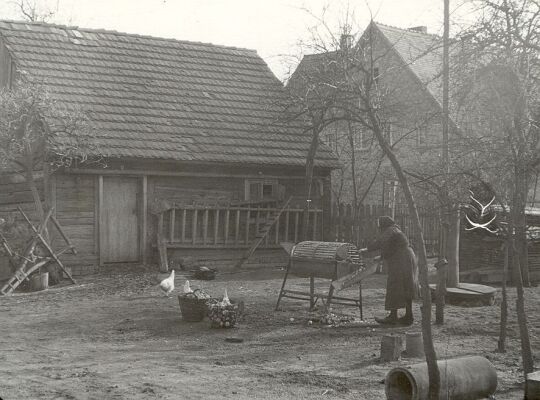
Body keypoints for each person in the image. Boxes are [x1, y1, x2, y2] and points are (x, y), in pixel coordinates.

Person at [364, 216, 420, 326]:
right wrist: (381, 257)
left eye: (380, 227)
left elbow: (380, 243)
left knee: (394, 285)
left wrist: (367, 249)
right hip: (408, 257)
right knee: (406, 286)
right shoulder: (395, 230)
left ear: (384, 226)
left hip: (401, 259)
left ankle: (393, 317)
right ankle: (409, 316)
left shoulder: (389, 231)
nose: (379, 229)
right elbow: (390, 247)